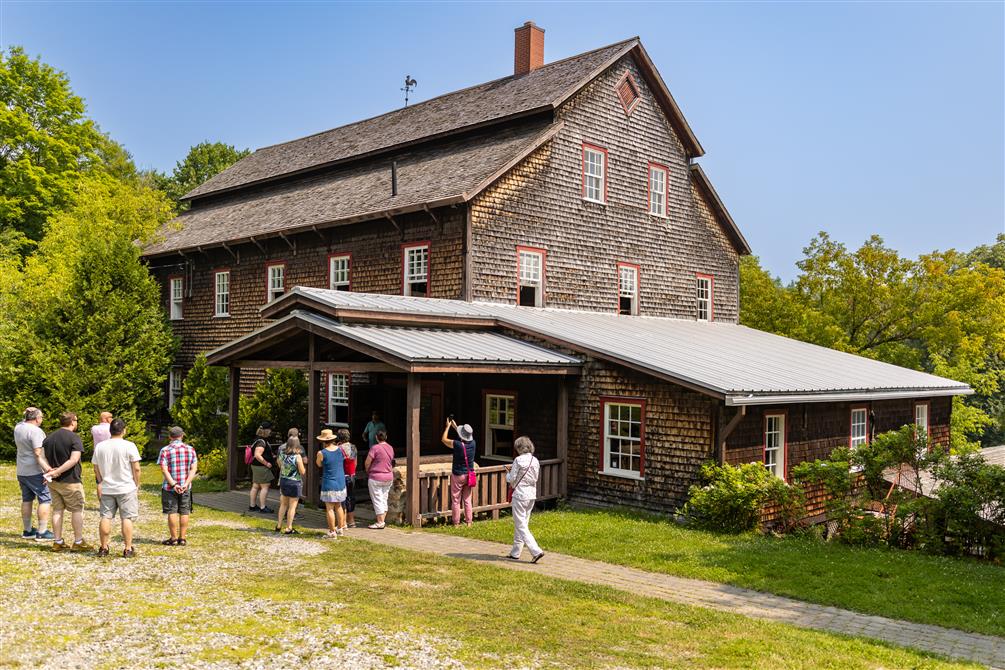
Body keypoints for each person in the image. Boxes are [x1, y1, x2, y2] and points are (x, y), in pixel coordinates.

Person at [92, 418, 142, 558]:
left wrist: (101, 481)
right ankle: (127, 548)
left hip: (107, 487)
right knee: (126, 518)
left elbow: (95, 467)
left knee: (105, 517)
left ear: (110, 431)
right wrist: (136, 483)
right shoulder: (129, 445)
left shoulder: (100, 446)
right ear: (124, 430)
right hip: (126, 487)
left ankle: (103, 547)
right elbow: (136, 468)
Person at [42, 412, 91, 552]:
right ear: (72, 422)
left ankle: (57, 541)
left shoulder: (49, 437)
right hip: (70, 481)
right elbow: (74, 460)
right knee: (77, 510)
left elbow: (41, 457)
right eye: (76, 420)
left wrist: (50, 471)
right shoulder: (74, 438)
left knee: (57, 510)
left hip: (53, 482)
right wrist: (57, 471)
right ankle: (78, 541)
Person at [13, 407, 54, 542]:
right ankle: (42, 531)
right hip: (34, 470)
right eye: (41, 417)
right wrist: (47, 470)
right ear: (36, 419)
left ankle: (28, 530)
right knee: (45, 498)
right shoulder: (36, 431)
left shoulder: (18, 427)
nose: (41, 419)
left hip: (22, 470)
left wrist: (26, 411)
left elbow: (22, 420)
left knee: (27, 499)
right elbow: (38, 453)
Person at [157, 426, 198, 546]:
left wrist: (174, 484)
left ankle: (174, 538)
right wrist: (186, 483)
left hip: (170, 487)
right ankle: (183, 538)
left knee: (172, 511)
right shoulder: (190, 449)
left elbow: (164, 470)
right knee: (185, 511)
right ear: (182, 435)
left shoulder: (165, 450)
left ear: (170, 436)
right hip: (186, 486)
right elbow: (193, 468)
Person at [506, 436, 544, 563]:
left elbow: (512, 479)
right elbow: (535, 478)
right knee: (522, 523)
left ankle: (536, 550)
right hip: (531, 494)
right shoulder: (535, 460)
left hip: (520, 494)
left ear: (519, 448)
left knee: (520, 525)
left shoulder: (518, 460)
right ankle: (515, 552)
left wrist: (507, 474)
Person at [441, 419, 477, 527]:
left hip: (458, 475)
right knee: (467, 499)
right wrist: (456, 427)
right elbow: (464, 438)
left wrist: (447, 427)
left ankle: (456, 523)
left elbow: (444, 439)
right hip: (469, 475)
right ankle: (469, 522)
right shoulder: (473, 443)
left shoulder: (457, 445)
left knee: (456, 500)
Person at [315, 429, 346, 538]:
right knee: (339, 506)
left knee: (329, 508)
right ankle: (340, 528)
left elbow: (319, 464)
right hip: (341, 481)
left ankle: (332, 532)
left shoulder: (321, 453)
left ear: (323, 441)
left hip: (329, 483)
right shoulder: (340, 450)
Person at [275, 435, 306, 534]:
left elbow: (280, 465)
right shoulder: (297, 457)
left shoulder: (282, 454)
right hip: (294, 482)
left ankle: (279, 525)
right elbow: (302, 471)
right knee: (292, 506)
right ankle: (289, 527)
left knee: (283, 504)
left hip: (284, 480)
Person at [364, 429, 394, 529]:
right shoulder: (390, 448)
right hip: (388, 476)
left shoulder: (375, 448)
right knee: (384, 498)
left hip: (376, 477)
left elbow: (367, 462)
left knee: (377, 499)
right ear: (386, 437)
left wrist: (368, 471)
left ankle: (380, 522)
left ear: (376, 437)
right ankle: (382, 520)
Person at [248, 422, 275, 514]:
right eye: (270, 429)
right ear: (266, 430)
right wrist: (266, 463)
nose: (271, 431)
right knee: (265, 487)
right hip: (261, 467)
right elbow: (257, 455)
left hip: (255, 466)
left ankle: (252, 506)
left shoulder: (257, 440)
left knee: (255, 486)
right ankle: (263, 507)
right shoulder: (262, 442)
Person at [338, 428, 357, 530]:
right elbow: (355, 463)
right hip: (352, 475)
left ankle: (343, 522)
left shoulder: (338, 448)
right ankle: (352, 521)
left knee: (342, 498)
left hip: (342, 475)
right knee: (351, 497)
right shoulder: (353, 447)